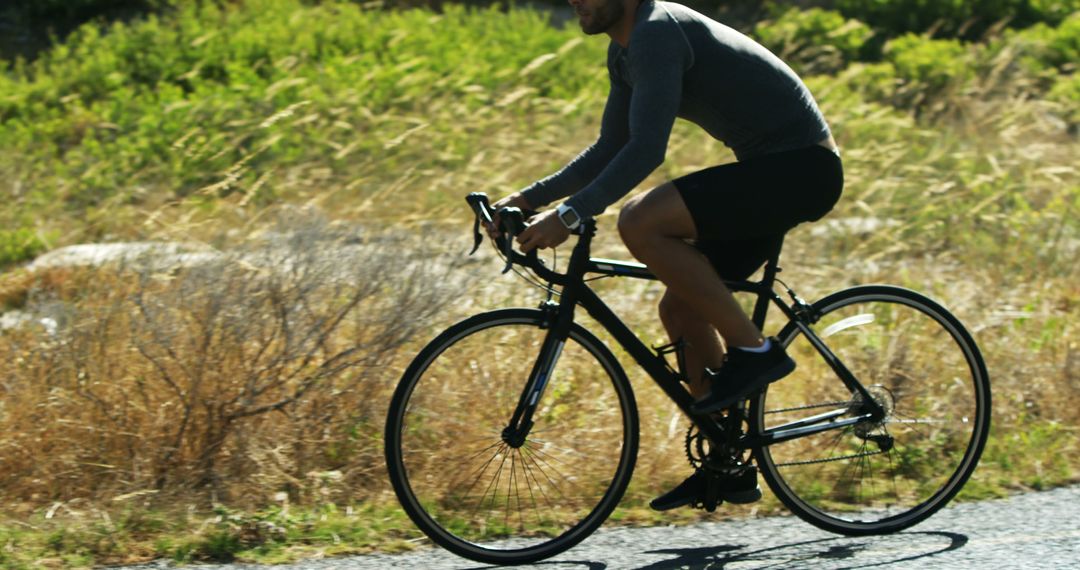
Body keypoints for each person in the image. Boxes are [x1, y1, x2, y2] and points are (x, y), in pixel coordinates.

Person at [490, 0, 843, 511]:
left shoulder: (658, 31)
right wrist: (527, 199)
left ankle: (756, 352)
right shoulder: (625, 50)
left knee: (639, 220)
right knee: (679, 308)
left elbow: (647, 149)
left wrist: (570, 216)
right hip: (773, 172)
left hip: (800, 170)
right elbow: (611, 146)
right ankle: (727, 462)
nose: (573, 2)